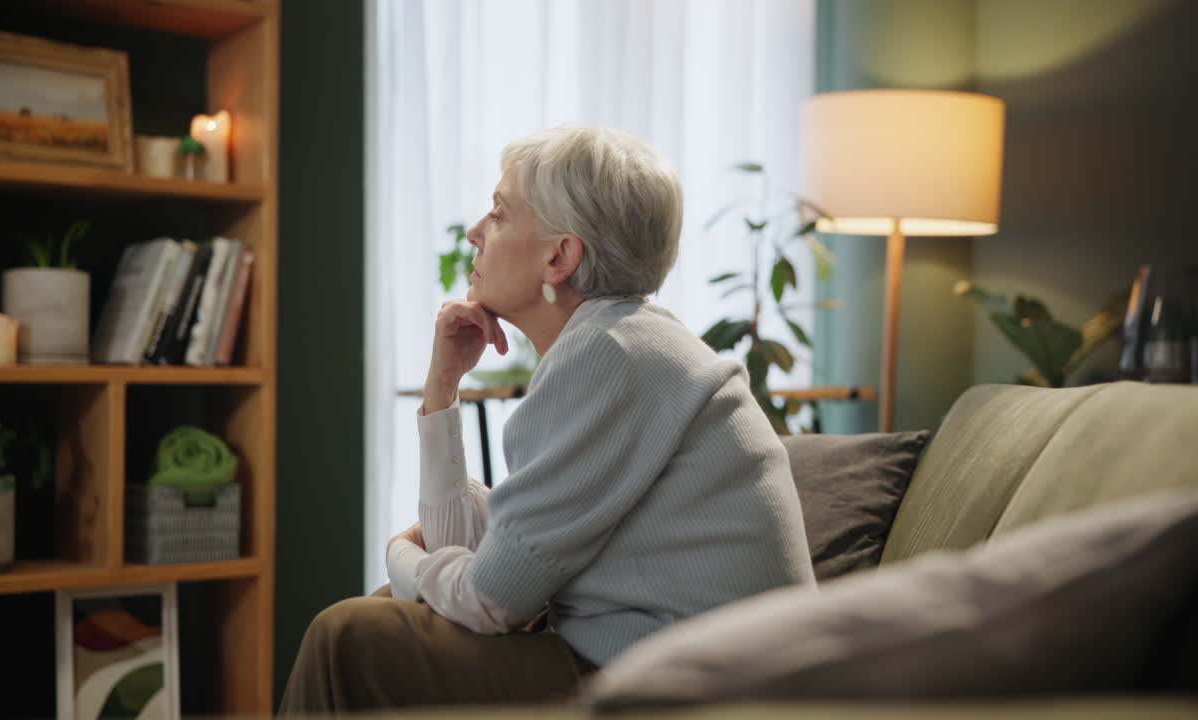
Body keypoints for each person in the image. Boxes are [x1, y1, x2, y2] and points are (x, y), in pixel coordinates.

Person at [279, 127, 812, 714]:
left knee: (348, 634)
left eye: (499, 214)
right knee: (389, 609)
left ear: (559, 257)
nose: (475, 231)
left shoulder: (610, 355)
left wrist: (400, 554)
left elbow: (488, 602)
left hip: (692, 693)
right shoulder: (623, 342)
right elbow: (478, 560)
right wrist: (443, 386)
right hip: (665, 665)